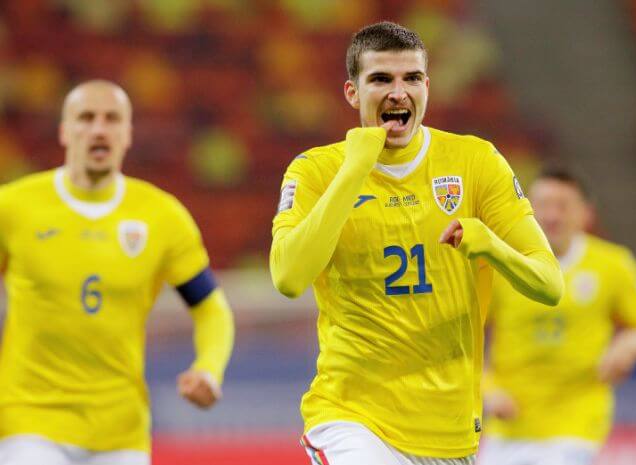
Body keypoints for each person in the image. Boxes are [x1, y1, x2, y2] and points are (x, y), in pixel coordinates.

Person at [269, 21, 564, 465]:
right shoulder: (315, 171)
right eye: (381, 80)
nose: (397, 93)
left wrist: (490, 246)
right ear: (352, 92)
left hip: (449, 430)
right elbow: (289, 277)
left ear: (427, 86)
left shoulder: (475, 162)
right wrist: (354, 169)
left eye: (410, 79)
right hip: (351, 417)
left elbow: (549, 283)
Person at [0, 80, 235, 465]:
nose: (98, 129)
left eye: (112, 119)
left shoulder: (162, 217)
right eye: (85, 118)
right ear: (64, 130)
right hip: (29, 422)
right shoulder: (13, 208)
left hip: (121, 432)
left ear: (127, 134)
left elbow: (211, 307)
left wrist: (208, 368)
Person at [478, 166, 636, 465]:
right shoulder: (501, 265)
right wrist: (487, 389)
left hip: (576, 421)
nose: (552, 216)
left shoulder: (613, 265)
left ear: (586, 213)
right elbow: (463, 341)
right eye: (542, 206)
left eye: (563, 206)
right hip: (509, 422)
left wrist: (626, 346)